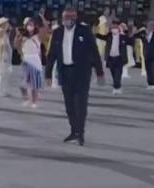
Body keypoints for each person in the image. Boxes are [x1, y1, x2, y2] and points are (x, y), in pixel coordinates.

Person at [45, 8, 102, 146]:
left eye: (71, 17)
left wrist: (99, 71)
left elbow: (94, 51)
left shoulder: (84, 31)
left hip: (81, 73)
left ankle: (80, 133)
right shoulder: (58, 32)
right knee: (69, 104)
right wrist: (48, 73)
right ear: (62, 18)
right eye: (66, 17)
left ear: (76, 18)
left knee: (80, 104)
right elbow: (52, 54)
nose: (68, 19)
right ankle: (73, 130)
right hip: (65, 72)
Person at [15, 16, 48, 108]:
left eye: (31, 25)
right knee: (22, 84)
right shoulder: (22, 36)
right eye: (28, 25)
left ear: (35, 26)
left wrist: (43, 18)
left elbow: (46, 29)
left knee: (34, 84)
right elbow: (17, 46)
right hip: (25, 59)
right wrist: (18, 37)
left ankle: (34, 101)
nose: (29, 27)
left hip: (35, 60)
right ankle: (26, 99)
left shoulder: (38, 36)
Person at [97, 17, 129, 95]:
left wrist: (125, 31)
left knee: (118, 73)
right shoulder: (109, 35)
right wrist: (94, 32)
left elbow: (130, 40)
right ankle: (117, 85)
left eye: (116, 26)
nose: (114, 28)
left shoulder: (122, 36)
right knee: (113, 73)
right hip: (111, 58)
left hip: (119, 58)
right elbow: (101, 37)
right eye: (113, 26)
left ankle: (116, 87)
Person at [136, 20, 154, 90]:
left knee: (153, 68)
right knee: (148, 69)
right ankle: (149, 83)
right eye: (149, 25)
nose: (150, 26)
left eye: (152, 25)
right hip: (146, 53)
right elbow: (135, 35)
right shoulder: (143, 32)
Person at [0, 16, 13, 97]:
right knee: (2, 74)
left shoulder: (4, 32)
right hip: (2, 54)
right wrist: (6, 28)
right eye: (5, 23)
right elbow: (2, 37)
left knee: (6, 74)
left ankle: (4, 91)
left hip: (6, 54)